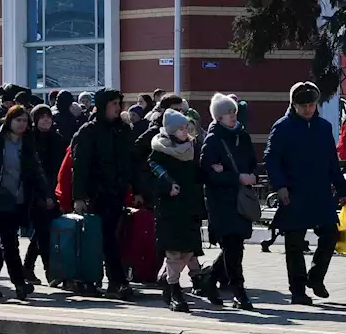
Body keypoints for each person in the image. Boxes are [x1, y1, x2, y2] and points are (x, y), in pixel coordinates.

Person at [264, 81, 346, 305]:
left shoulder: (323, 127)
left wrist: (342, 187)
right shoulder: (282, 127)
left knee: (330, 235)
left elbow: (332, 159)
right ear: (293, 105)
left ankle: (316, 277)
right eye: (303, 106)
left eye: (311, 104)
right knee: (294, 243)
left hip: (320, 192)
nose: (308, 109)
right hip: (293, 193)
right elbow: (271, 159)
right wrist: (280, 186)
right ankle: (298, 290)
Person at [0, 105, 51, 301]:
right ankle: (19, 282)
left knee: (1, 244)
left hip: (20, 198)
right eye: (18, 120)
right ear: (9, 121)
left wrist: (47, 194)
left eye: (25, 121)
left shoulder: (27, 142)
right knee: (10, 241)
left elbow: (36, 170)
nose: (22, 124)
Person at [71, 88, 137, 300]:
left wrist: (136, 190)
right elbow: (80, 166)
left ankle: (109, 280)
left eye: (119, 103)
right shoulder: (88, 131)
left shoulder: (123, 130)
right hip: (96, 194)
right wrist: (79, 196)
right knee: (103, 237)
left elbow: (131, 163)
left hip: (117, 192)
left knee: (110, 237)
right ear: (102, 106)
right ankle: (114, 281)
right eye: (113, 104)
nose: (118, 108)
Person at [199, 93, 258, 310]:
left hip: (241, 200)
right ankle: (239, 292)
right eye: (227, 113)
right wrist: (235, 177)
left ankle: (208, 279)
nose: (232, 116)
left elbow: (252, 162)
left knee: (236, 247)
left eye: (233, 111)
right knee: (232, 247)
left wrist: (252, 176)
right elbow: (205, 173)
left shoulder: (242, 136)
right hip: (221, 202)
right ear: (218, 117)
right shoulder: (213, 140)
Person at [146, 109, 204, 312]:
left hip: (188, 208)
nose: (184, 131)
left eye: (186, 127)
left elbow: (196, 175)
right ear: (171, 130)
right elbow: (150, 176)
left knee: (189, 250)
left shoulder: (191, 149)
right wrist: (167, 186)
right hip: (169, 210)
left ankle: (168, 280)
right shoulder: (159, 151)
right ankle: (174, 290)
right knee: (173, 251)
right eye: (180, 128)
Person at [23, 104, 65, 283]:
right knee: (43, 232)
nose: (46, 120)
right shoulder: (29, 140)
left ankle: (27, 267)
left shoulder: (58, 139)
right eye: (42, 117)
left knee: (43, 231)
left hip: (55, 190)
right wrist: (42, 194)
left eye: (48, 116)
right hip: (34, 192)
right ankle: (50, 271)